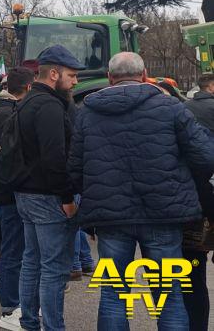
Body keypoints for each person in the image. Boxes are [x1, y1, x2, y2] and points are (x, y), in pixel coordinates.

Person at [69, 52, 214, 330]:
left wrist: (80, 197)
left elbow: (75, 166)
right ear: (145, 73)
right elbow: (206, 157)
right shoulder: (170, 107)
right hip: (164, 214)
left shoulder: (87, 112)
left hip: (110, 218)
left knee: (113, 295)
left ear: (110, 78)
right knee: (169, 295)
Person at [14, 44, 83, 331]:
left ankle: (30, 322)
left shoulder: (26, 101)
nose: (75, 81)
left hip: (25, 193)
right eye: (71, 74)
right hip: (48, 196)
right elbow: (55, 157)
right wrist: (66, 197)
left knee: (32, 261)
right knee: (54, 269)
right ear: (54, 74)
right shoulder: (51, 107)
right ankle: (53, 327)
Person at [0, 66, 34, 330]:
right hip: (10, 191)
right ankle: (11, 306)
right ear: (27, 88)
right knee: (14, 250)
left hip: (3, 189)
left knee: (15, 249)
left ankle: (15, 303)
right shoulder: (9, 115)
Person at [183, 73, 214, 330]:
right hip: (198, 210)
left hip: (186, 211)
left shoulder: (185, 110)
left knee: (187, 279)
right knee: (194, 279)